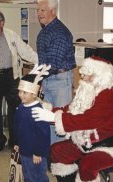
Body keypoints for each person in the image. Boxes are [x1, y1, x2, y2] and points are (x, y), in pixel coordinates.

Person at [32, 56, 113, 182]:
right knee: (56, 151)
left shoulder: (109, 95)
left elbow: (87, 121)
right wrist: (48, 110)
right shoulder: (87, 93)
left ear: (99, 76)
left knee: (88, 165)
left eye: (86, 74)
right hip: (87, 142)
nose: (81, 76)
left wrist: (53, 118)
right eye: (82, 73)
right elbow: (70, 110)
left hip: (112, 146)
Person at [0, 9, 38, 152]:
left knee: (15, 110)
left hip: (11, 77)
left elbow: (25, 50)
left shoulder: (11, 35)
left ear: (2, 22)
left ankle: (14, 140)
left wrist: (40, 60)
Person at [36, 0, 76, 144]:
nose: (39, 14)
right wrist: (39, 79)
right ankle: (53, 157)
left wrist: (35, 79)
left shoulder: (59, 32)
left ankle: (62, 161)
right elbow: (42, 61)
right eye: (38, 10)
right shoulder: (43, 33)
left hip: (60, 81)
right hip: (48, 80)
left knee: (60, 121)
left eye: (42, 10)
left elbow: (52, 62)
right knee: (49, 119)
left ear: (52, 11)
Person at [14, 65, 52, 182]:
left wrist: (39, 152)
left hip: (36, 154)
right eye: (20, 91)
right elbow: (18, 127)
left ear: (34, 93)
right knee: (28, 177)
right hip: (24, 150)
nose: (21, 95)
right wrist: (17, 143)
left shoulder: (38, 111)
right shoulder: (20, 108)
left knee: (39, 180)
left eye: (25, 92)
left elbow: (43, 134)